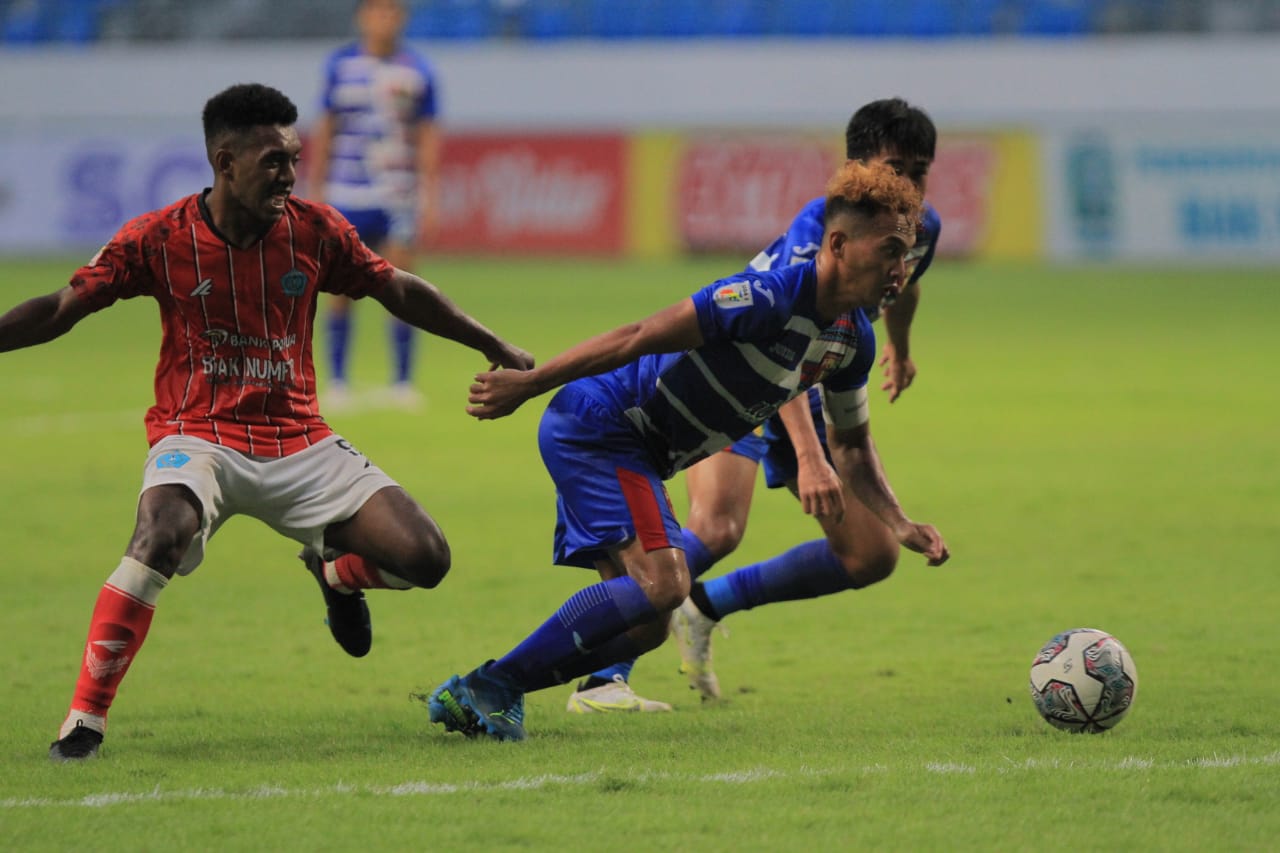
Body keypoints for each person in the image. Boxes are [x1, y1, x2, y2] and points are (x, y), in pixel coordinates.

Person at [0, 83, 531, 762]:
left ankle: (336, 575)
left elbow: (396, 287)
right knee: (159, 534)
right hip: (198, 434)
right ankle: (84, 721)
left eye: (293, 158)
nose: (288, 174)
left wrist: (491, 343)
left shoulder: (316, 231)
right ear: (225, 162)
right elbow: (59, 308)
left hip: (298, 440)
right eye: (273, 161)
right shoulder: (159, 238)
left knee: (426, 558)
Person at [421, 159, 949, 742]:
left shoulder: (853, 340)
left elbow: (851, 445)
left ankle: (492, 689)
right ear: (839, 244)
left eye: (907, 255)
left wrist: (899, 522)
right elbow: (637, 336)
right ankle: (491, 685)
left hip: (639, 451)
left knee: (647, 626)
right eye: (890, 251)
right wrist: (530, 383)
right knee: (666, 584)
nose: (901, 270)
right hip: (604, 427)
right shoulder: (763, 298)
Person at [565, 97, 942, 713]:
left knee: (872, 556)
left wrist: (899, 349)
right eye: (896, 169)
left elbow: (908, 286)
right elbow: (784, 344)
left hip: (819, 380)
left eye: (920, 172)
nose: (911, 184)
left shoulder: (919, 229)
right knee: (717, 525)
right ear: (859, 168)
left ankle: (703, 605)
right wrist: (811, 458)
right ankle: (602, 677)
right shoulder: (820, 227)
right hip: (746, 377)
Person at [308, 0, 442, 409]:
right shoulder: (340, 66)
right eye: (377, 11)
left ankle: (402, 382)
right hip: (346, 193)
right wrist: (315, 188)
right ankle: (338, 381)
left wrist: (429, 193)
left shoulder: (419, 70)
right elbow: (326, 128)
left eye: (391, 11)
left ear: (402, 18)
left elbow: (428, 135)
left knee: (401, 285)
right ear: (362, 17)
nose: (384, 19)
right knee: (339, 286)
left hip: (397, 195)